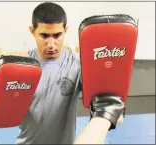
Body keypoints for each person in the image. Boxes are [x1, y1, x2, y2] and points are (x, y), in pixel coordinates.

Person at [16, 2, 125, 144]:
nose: (51, 44)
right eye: (44, 35)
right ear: (32, 31)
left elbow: (107, 106)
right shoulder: (23, 65)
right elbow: (4, 113)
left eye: (57, 35)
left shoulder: (77, 64)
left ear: (65, 30)